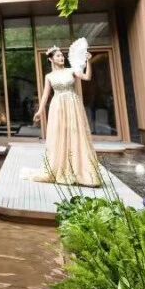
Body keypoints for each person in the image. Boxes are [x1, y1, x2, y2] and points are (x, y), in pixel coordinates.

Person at [31, 45, 102, 187]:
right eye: (58, 56)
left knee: (76, 135)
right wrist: (40, 111)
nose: (61, 57)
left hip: (73, 105)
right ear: (51, 59)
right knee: (60, 136)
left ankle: (81, 172)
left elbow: (87, 77)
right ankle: (62, 169)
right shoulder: (49, 76)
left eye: (62, 55)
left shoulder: (71, 70)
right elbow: (45, 95)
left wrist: (88, 61)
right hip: (58, 107)